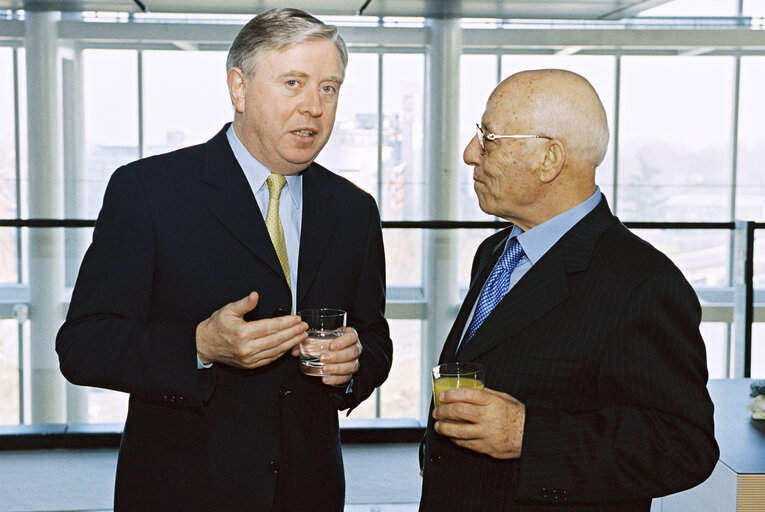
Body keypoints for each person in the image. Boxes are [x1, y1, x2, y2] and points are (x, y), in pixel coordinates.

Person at [56, 8, 392, 512]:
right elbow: (82, 345)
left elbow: (375, 337)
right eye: (294, 83)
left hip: (309, 490)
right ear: (239, 88)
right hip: (182, 489)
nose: (314, 107)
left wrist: (354, 362)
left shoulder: (354, 209)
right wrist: (198, 346)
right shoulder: (149, 191)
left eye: (329, 88)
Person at [419, 69, 718, 512]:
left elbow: (682, 446)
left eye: (489, 138)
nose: (468, 154)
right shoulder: (496, 250)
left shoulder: (645, 283)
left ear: (549, 160)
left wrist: (529, 436)